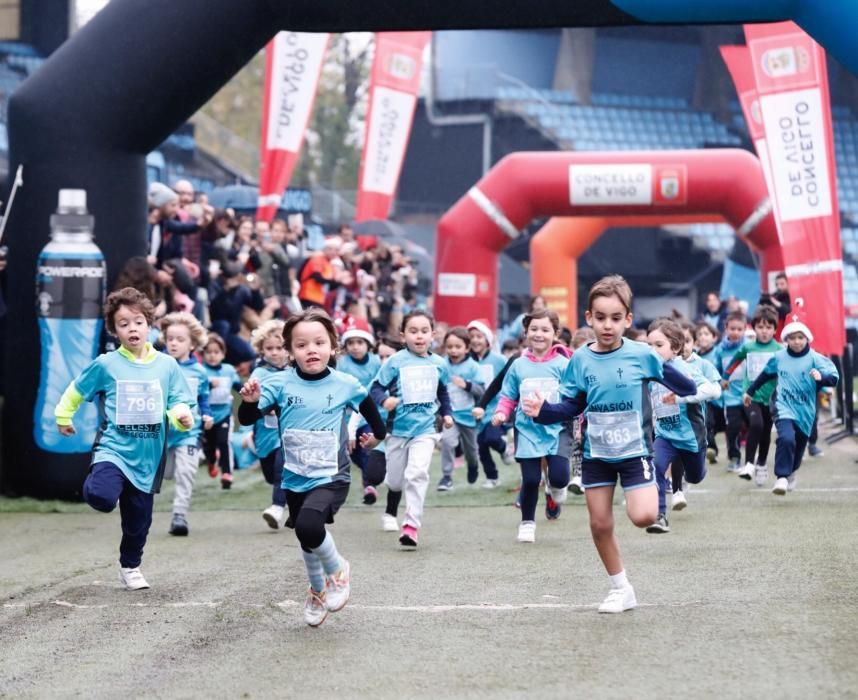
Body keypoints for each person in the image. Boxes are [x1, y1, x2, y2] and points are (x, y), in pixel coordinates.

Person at [522, 275, 696, 613]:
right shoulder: (580, 360)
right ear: (589, 317)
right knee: (599, 524)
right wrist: (543, 412)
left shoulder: (643, 355)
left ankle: (645, 503)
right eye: (600, 317)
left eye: (616, 318)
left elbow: (686, 387)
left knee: (644, 515)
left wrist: (666, 369)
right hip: (596, 454)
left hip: (634, 452)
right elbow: (572, 406)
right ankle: (621, 588)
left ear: (628, 320)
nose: (607, 325)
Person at [237, 309, 386, 627]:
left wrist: (378, 436)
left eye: (319, 342)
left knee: (307, 526)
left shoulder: (345, 383)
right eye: (302, 345)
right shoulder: (278, 383)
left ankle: (338, 571)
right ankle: (317, 591)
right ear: (290, 351)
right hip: (294, 476)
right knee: (307, 538)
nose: (311, 350)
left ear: (333, 348)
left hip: (331, 475)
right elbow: (247, 419)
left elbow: (370, 409)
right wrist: (249, 402)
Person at [54, 287, 194, 590]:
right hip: (114, 449)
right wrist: (64, 416)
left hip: (149, 457)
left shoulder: (167, 366)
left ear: (150, 324)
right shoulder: (106, 364)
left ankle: (130, 567)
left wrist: (182, 416)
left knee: (138, 522)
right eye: (124, 323)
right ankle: (98, 485)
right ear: (114, 329)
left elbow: (179, 400)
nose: (133, 328)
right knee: (103, 497)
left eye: (138, 322)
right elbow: (77, 389)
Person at [370, 310, 453, 547]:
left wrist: (447, 414)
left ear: (433, 335)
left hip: (425, 430)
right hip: (397, 431)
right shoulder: (395, 361)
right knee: (396, 482)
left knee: (417, 474)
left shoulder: (439, 363)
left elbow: (443, 392)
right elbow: (375, 388)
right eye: (413, 331)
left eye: (424, 331)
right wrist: (385, 401)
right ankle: (392, 502)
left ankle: (411, 526)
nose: (419, 336)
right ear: (403, 334)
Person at [492, 309, 572, 542]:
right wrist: (500, 413)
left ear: (555, 333)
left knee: (559, 478)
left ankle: (553, 488)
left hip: (557, 428)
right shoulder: (518, 365)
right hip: (527, 429)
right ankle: (527, 522)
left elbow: (573, 394)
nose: (539, 334)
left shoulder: (563, 364)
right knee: (529, 479)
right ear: (526, 332)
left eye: (545, 330)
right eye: (534, 329)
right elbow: (508, 395)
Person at [743, 318, 838, 495]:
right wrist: (750, 392)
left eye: (800, 337)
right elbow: (765, 375)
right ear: (786, 339)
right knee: (786, 438)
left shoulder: (815, 358)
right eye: (792, 338)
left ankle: (791, 471)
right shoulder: (779, 357)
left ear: (807, 339)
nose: (796, 341)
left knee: (799, 446)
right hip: (782, 405)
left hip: (805, 411)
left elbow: (834, 376)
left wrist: (822, 379)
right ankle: (781, 477)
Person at [645, 318, 719, 533]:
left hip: (691, 438)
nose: (652, 350)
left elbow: (714, 391)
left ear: (675, 348)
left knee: (695, 477)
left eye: (659, 345)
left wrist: (679, 398)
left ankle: (695, 468)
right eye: (649, 345)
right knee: (656, 467)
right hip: (665, 436)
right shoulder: (649, 371)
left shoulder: (684, 370)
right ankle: (659, 516)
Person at [160, 312, 212, 533]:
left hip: (189, 433)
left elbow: (203, 399)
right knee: (163, 473)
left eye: (180, 340)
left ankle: (179, 516)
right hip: (160, 434)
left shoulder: (199, 372)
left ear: (192, 343)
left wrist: (208, 415)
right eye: (170, 338)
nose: (173, 343)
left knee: (185, 472)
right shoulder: (157, 364)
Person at [722, 305, 781, 486]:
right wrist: (726, 377)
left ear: (774, 329)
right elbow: (734, 362)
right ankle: (748, 464)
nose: (764, 331)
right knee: (756, 425)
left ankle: (761, 463)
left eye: (768, 327)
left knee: (765, 432)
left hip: (770, 398)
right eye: (760, 327)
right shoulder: (748, 347)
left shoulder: (779, 349)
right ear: (753, 327)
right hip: (750, 396)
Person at [247, 320, 290, 529]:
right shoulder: (259, 374)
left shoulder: (294, 372)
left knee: (283, 466)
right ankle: (288, 499)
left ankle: (277, 507)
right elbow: (252, 401)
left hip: (288, 432)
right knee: (271, 474)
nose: (274, 353)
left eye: (279, 348)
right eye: (269, 349)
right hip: (264, 432)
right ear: (261, 350)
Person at [336, 318, 382, 503]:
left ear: (368, 344)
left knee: (366, 447)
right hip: (346, 416)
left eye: (359, 342)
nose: (355, 347)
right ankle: (365, 476)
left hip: (368, 416)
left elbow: (378, 387)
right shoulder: (342, 363)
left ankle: (369, 484)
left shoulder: (376, 362)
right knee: (352, 452)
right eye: (351, 343)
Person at [437, 327, 485, 491]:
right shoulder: (442, 364)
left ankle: (473, 466)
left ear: (467, 348)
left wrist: (466, 385)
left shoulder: (473, 367)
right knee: (448, 442)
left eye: (458, 347)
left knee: (471, 450)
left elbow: (482, 391)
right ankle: (446, 477)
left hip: (468, 415)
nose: (453, 350)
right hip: (450, 415)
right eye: (449, 347)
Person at [467, 319, 512, 489]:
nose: (475, 340)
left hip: (495, 408)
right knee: (481, 447)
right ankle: (492, 477)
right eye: (471, 336)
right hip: (474, 412)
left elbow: (509, 379)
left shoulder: (499, 359)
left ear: (487, 340)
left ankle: (504, 448)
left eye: (479, 336)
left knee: (491, 438)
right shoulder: (467, 362)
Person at [201, 333, 241, 488]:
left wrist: (247, 392)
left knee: (224, 442)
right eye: (208, 352)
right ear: (203, 354)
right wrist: (210, 385)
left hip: (224, 413)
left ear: (223, 354)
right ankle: (211, 460)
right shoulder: (201, 370)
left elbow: (238, 385)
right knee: (209, 446)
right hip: (207, 416)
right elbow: (197, 390)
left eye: (216, 352)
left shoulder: (229, 370)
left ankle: (227, 473)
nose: (212, 356)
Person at [714, 311, 748, 473]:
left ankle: (752, 459)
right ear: (726, 328)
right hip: (731, 398)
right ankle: (734, 458)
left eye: (739, 329)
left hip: (750, 396)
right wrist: (720, 380)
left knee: (755, 427)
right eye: (732, 328)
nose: (735, 332)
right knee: (733, 428)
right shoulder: (720, 350)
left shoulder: (749, 347)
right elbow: (716, 370)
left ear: (745, 329)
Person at [695, 321, 725, 464]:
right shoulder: (694, 357)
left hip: (720, 398)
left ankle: (729, 451)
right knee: (706, 423)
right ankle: (711, 449)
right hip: (704, 399)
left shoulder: (718, 352)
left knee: (721, 426)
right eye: (700, 334)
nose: (703, 337)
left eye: (706, 334)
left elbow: (725, 368)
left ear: (714, 337)